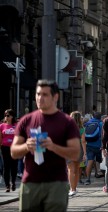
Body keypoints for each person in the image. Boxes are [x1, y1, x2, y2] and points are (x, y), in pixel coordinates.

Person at [10, 79, 80, 211]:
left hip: (56, 183)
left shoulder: (67, 122)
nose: (40, 98)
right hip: (30, 183)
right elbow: (14, 152)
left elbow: (75, 153)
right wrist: (26, 146)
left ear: (55, 97)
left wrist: (53, 147)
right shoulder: (26, 120)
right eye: (38, 94)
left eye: (45, 94)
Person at [67, 111, 86, 197]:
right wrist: (85, 153)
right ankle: (74, 187)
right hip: (79, 150)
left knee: (70, 170)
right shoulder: (82, 129)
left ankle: (72, 189)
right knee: (76, 169)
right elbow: (83, 141)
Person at [83, 112, 103, 185]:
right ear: (100, 117)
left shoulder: (87, 123)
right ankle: (98, 173)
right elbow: (102, 135)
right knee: (99, 160)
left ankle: (87, 179)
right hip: (98, 145)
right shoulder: (101, 124)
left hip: (89, 145)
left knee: (90, 161)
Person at [0, 109, 18, 192]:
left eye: (8, 115)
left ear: (12, 116)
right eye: (5, 115)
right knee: (6, 166)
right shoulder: (2, 126)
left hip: (14, 147)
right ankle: (7, 186)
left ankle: (13, 182)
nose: (6, 117)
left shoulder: (17, 125)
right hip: (5, 148)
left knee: (14, 166)